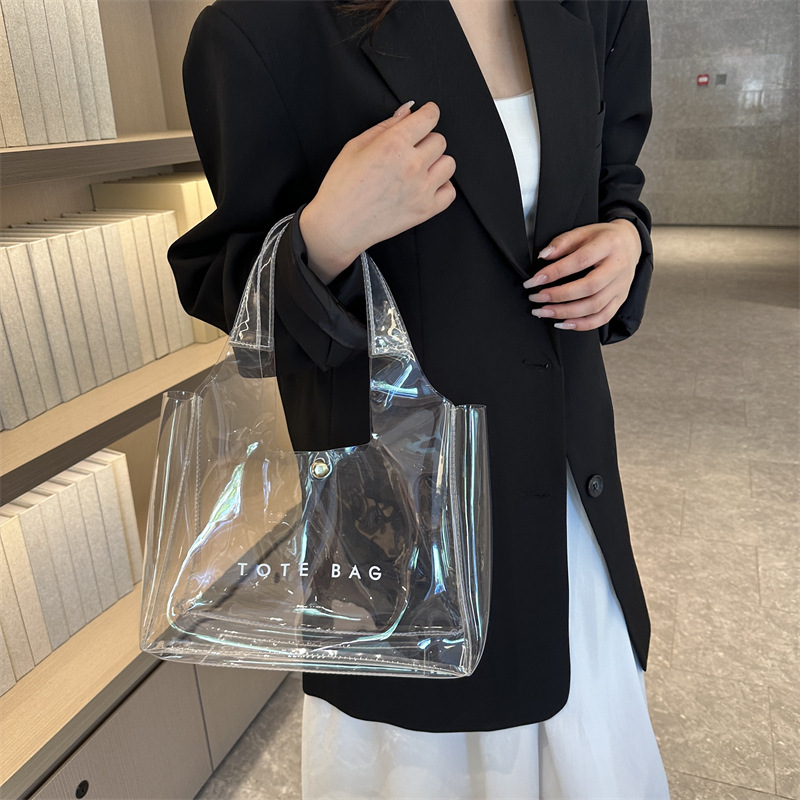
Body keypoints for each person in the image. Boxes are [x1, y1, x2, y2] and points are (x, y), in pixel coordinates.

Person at [168, 0, 670, 797]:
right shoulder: (264, 27)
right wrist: (326, 233)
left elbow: (614, 178)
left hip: (570, 497)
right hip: (408, 530)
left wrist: (627, 241)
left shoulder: (599, 5)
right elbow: (228, 288)